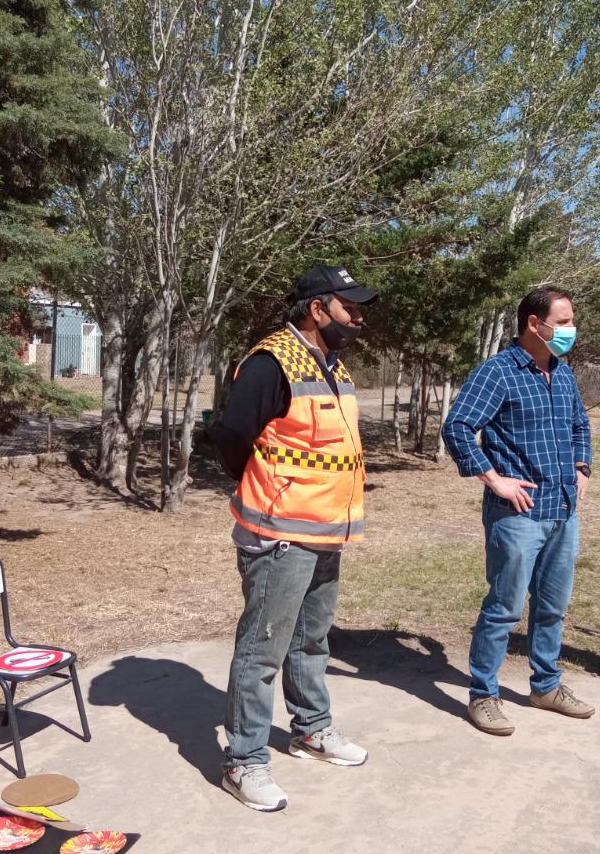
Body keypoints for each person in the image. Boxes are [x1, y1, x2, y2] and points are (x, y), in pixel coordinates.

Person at [212, 265, 377, 812]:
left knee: (312, 640)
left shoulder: (331, 365)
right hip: (279, 533)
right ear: (317, 308)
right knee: (262, 650)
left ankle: (310, 729)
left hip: (327, 530)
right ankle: (245, 761)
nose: (358, 315)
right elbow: (233, 436)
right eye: (349, 306)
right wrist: (266, 487)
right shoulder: (270, 362)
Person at [441, 285, 593, 736]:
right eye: (563, 322)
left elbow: (580, 422)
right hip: (518, 514)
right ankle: (483, 694)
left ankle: (545, 686)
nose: (570, 330)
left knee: (552, 607)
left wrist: (582, 465)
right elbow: (459, 426)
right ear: (535, 323)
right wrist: (494, 478)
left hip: (562, 509)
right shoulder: (499, 373)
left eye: (569, 322)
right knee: (504, 608)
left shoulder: (562, 373)